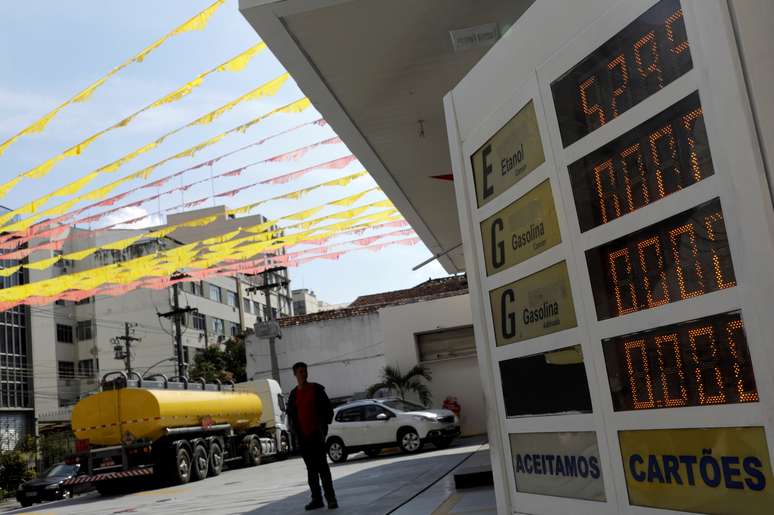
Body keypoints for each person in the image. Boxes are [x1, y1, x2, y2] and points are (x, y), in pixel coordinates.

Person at [286, 362, 338, 510]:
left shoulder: (317, 389)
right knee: (311, 470)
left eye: (305, 371)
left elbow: (328, 410)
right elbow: (291, 415)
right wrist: (295, 434)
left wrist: (323, 428)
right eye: (301, 372)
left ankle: (331, 499)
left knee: (323, 468)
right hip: (303, 438)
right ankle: (317, 499)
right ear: (295, 374)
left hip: (317, 436)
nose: (304, 374)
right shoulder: (293, 394)